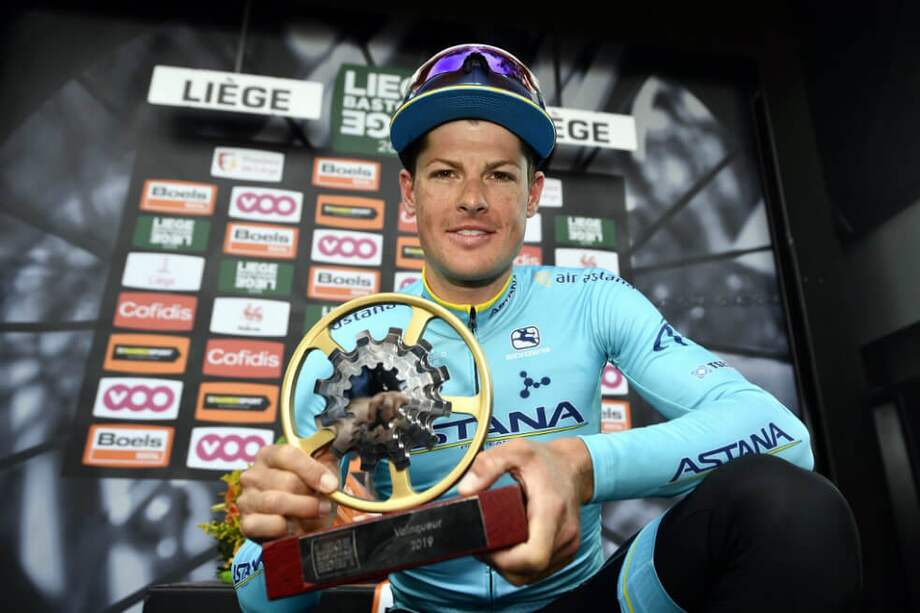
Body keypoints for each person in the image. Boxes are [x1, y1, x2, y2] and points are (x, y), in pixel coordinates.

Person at [231, 44, 862, 612]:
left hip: (585, 600)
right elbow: (261, 602)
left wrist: (580, 464)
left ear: (533, 193)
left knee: (792, 510)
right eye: (445, 172)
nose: (472, 197)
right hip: (423, 611)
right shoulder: (350, 344)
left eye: (499, 175)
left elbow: (781, 436)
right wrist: (284, 543)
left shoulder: (592, 300)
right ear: (410, 191)